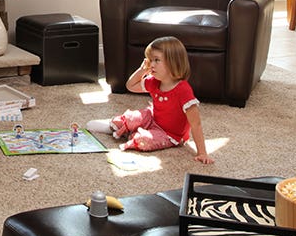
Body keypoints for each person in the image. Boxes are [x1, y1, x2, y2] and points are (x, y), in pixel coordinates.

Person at [87, 36, 214, 164]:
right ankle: (114, 126)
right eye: (150, 60)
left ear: (173, 62)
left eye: (157, 60)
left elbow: (196, 124)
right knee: (134, 117)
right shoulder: (154, 82)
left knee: (145, 141)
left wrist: (202, 153)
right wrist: (142, 71)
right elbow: (130, 86)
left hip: (170, 134)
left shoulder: (183, 90)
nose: (152, 64)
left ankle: (127, 131)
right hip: (153, 118)